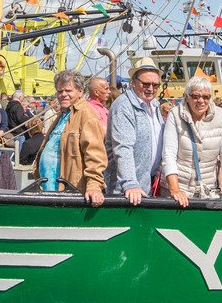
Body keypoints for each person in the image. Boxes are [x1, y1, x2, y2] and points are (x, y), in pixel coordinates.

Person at [161, 75, 222, 210]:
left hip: (206, 189)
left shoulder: (220, 116)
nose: (201, 101)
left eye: (206, 97)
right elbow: (169, 153)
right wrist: (175, 189)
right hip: (179, 187)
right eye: (195, 96)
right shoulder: (175, 115)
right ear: (186, 97)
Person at [31, 69, 106, 205]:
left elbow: (95, 154)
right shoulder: (64, 114)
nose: (63, 95)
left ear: (80, 91)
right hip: (51, 190)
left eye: (68, 91)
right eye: (60, 91)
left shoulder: (86, 115)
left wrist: (94, 186)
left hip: (70, 191)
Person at [106, 61, 165, 205]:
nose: (151, 88)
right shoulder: (123, 106)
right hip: (126, 191)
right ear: (134, 83)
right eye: (146, 84)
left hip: (146, 185)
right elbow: (123, 147)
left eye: (155, 85)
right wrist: (130, 183)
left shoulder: (155, 106)